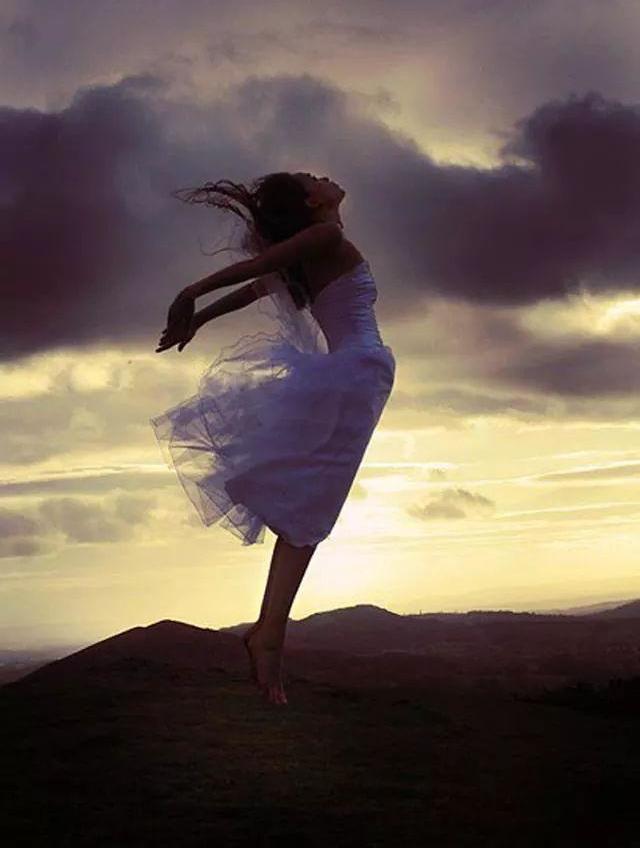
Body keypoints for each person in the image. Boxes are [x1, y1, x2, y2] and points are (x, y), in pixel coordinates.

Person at [151, 172, 395, 705]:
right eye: (313, 178)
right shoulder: (326, 237)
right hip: (357, 374)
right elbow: (257, 272)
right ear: (312, 202)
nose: (323, 176)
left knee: (308, 513)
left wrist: (200, 316)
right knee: (310, 514)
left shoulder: (317, 249)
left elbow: (253, 287)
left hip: (356, 376)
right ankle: (269, 635)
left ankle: (269, 631)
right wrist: (191, 295)